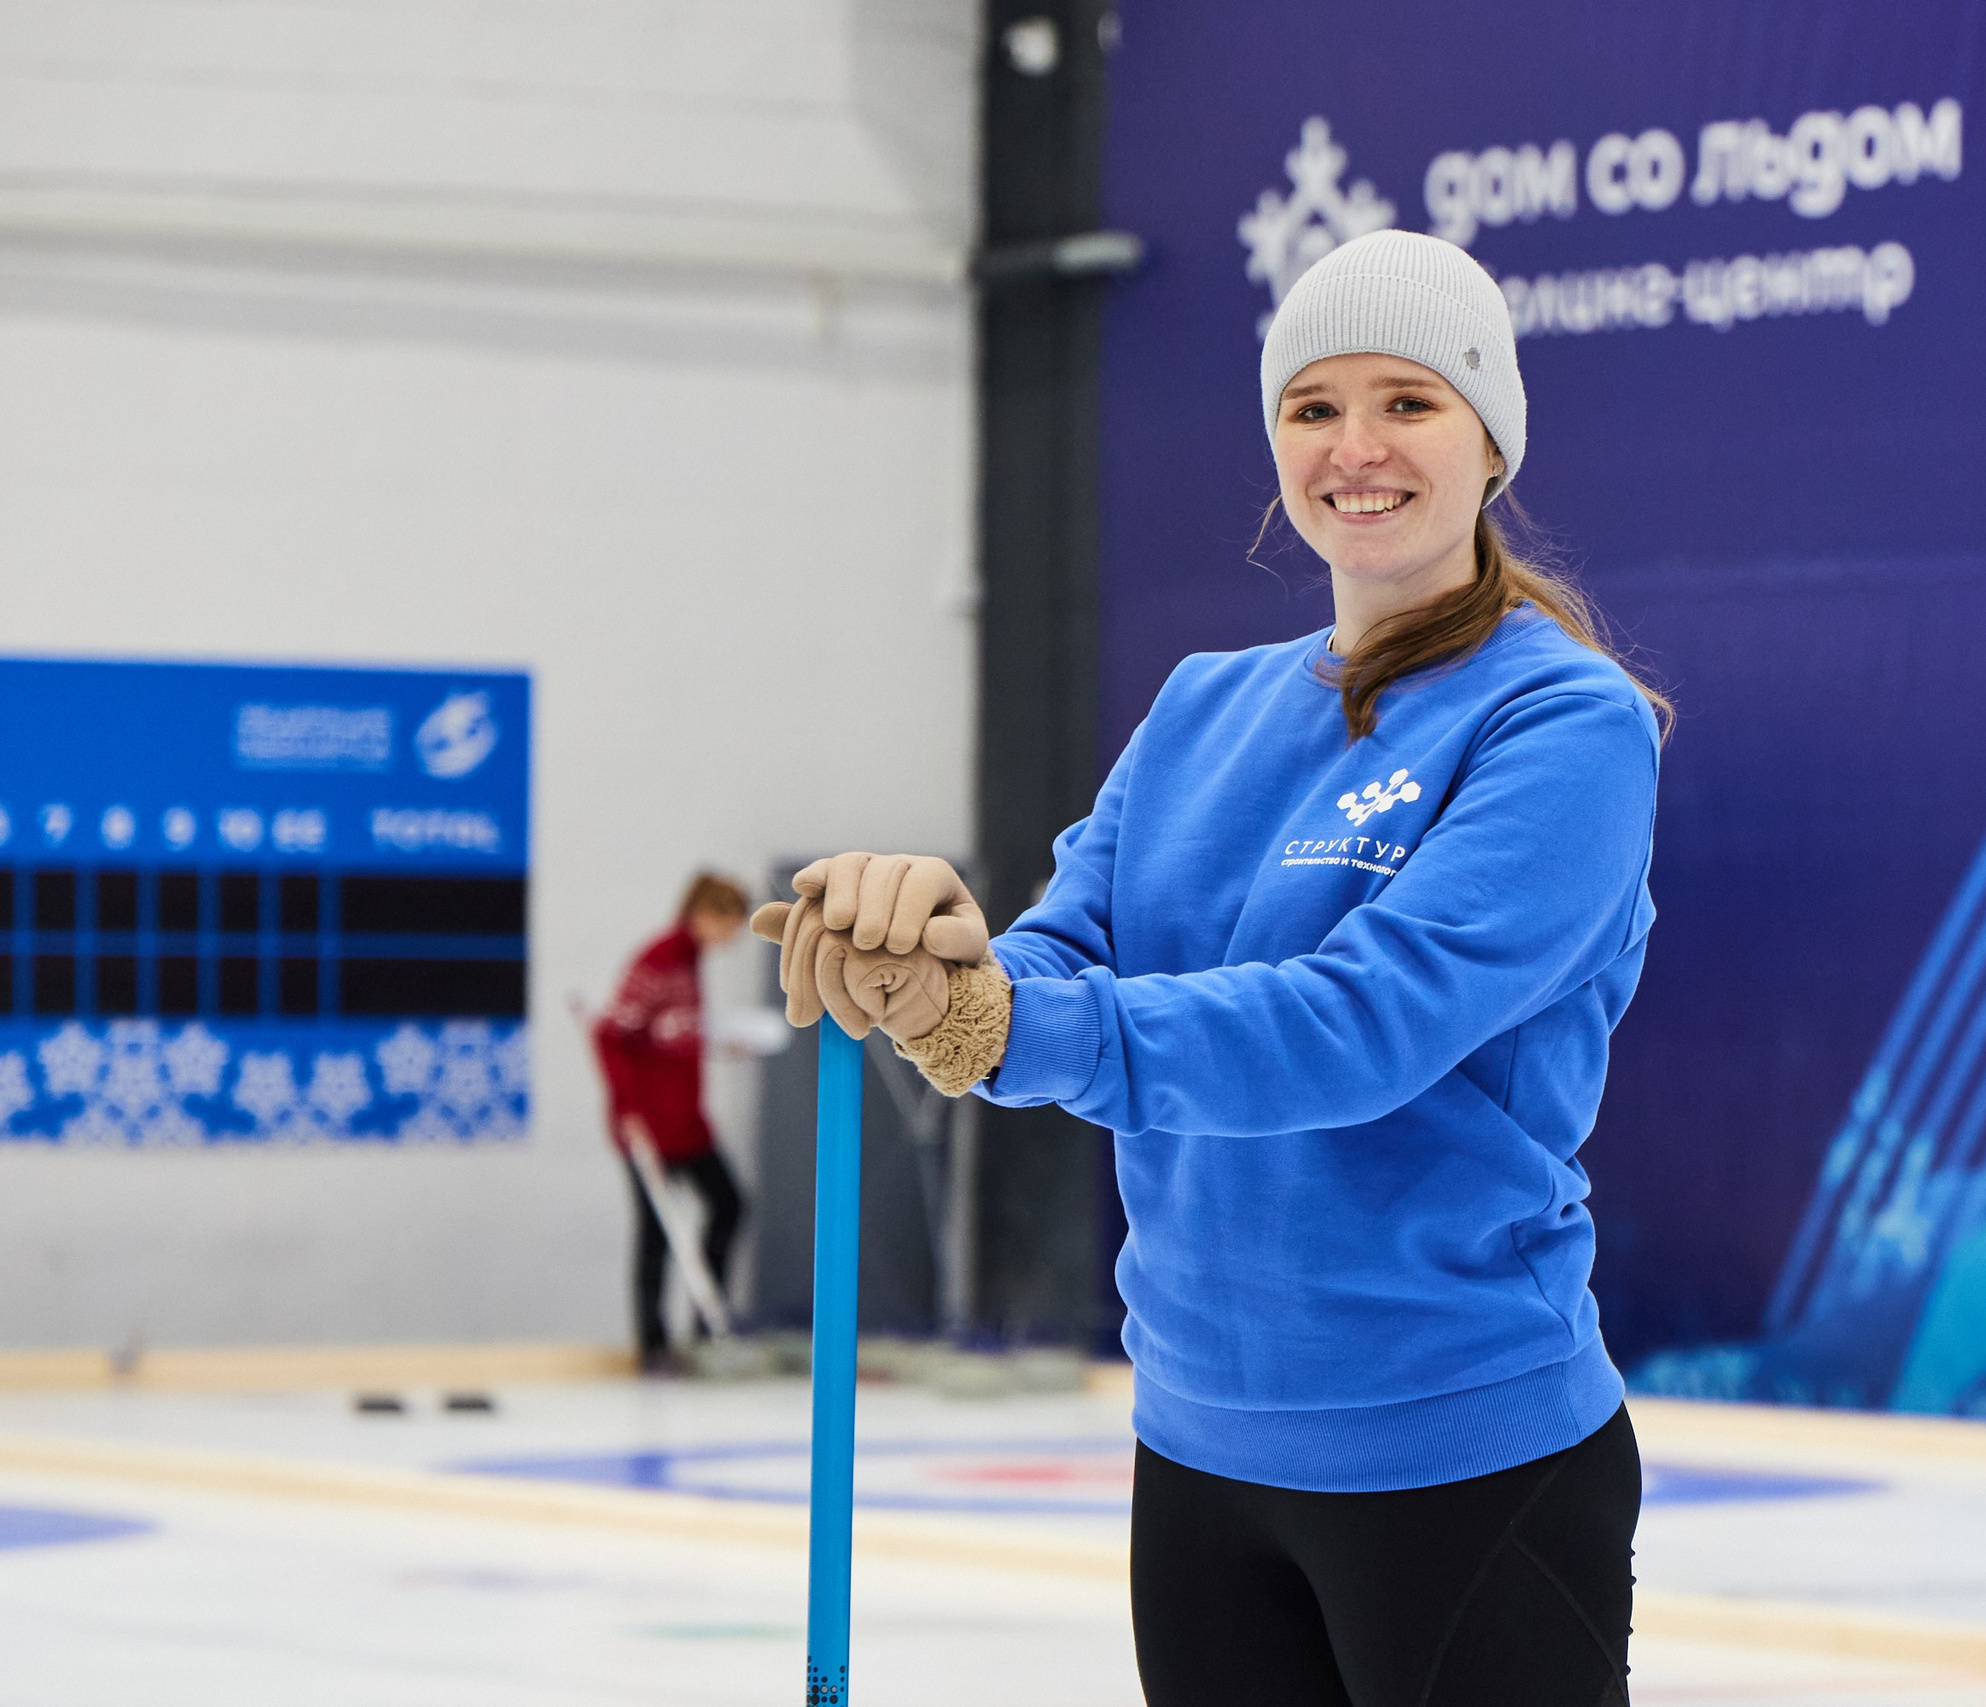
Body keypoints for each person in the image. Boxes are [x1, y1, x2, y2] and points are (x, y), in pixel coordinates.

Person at [756, 229, 1671, 1705]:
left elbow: (1358, 1027)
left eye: (1408, 401)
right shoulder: (1201, 709)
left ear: (1491, 437)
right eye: (1313, 406)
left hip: (1459, 1453)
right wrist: (931, 965)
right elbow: (1059, 955)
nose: (1355, 447)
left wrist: (1001, 1020)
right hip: (1196, 1452)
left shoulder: (1563, 722)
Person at [594, 871, 753, 1374]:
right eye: (732, 922)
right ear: (705, 915)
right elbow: (611, 1036)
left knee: (729, 1205)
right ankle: (653, 1346)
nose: (735, 934)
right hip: (649, 1127)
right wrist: (628, 1110)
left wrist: (716, 1044)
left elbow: (667, 1036)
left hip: (688, 1122)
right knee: (657, 1232)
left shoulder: (690, 962)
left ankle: (706, 1328)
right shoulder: (657, 961)